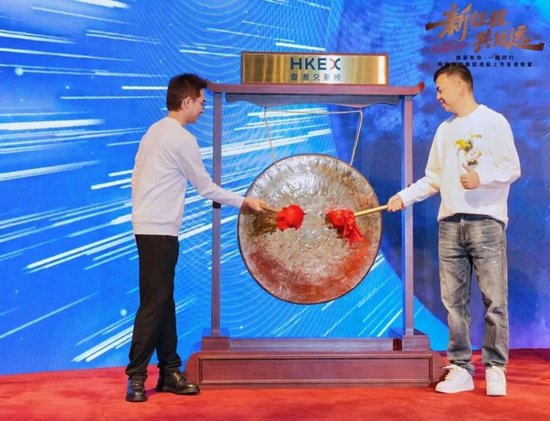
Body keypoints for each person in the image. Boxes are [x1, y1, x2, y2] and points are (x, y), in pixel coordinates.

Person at [125, 73, 265, 402]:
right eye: (201, 102)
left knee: (163, 299)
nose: (204, 108)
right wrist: (245, 202)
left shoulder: (153, 131)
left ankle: (170, 371)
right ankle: (136, 376)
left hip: (148, 225)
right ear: (187, 101)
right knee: (154, 302)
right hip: (159, 228)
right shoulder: (181, 139)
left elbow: (135, 177)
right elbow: (206, 188)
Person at [387, 63, 520, 396]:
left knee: (494, 299)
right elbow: (433, 177)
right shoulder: (444, 130)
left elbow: (512, 168)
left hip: (486, 221)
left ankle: (495, 368)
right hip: (449, 223)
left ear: (461, 85)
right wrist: (405, 196)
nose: (438, 96)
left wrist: (481, 178)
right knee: (453, 302)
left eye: (441, 89)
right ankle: (461, 368)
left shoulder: (494, 121)